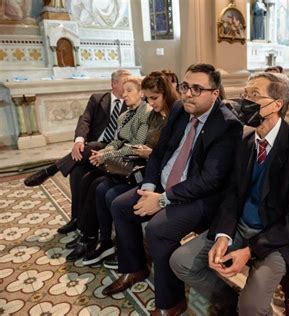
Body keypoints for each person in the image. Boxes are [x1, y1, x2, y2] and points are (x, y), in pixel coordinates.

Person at [170, 72, 289, 315]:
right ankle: (231, 302)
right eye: (244, 94)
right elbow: (232, 194)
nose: (244, 102)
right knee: (181, 262)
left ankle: (248, 306)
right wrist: (223, 235)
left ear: (276, 105)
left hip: (278, 237)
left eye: (254, 96)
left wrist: (251, 251)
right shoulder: (245, 140)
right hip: (243, 225)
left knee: (252, 306)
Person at [101, 64, 242, 316]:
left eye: (197, 89)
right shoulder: (179, 109)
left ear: (215, 93)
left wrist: (163, 200)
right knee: (120, 205)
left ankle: (171, 302)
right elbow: (160, 153)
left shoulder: (227, 124)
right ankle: (135, 268)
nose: (188, 93)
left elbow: (211, 180)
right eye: (186, 86)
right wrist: (148, 188)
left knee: (158, 230)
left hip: (201, 197)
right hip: (165, 186)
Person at [83, 72, 179, 267]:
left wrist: (146, 156)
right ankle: (105, 242)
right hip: (149, 169)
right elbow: (121, 141)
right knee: (99, 187)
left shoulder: (171, 117)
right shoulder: (150, 115)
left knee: (114, 199)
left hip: (153, 171)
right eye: (149, 98)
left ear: (166, 94)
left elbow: (162, 153)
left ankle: (131, 259)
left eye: (154, 98)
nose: (151, 102)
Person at [23, 69, 131, 234]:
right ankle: (76, 219)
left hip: (113, 149)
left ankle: (51, 169)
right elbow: (85, 119)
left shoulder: (132, 102)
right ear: (114, 84)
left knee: (91, 146)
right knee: (77, 171)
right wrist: (79, 141)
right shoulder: (98, 98)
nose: (127, 88)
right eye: (124, 83)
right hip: (93, 148)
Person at [66, 76, 151, 262]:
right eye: (124, 90)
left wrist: (105, 156)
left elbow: (135, 145)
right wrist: (103, 152)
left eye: (129, 90)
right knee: (87, 178)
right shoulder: (125, 115)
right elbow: (116, 141)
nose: (124, 94)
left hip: (133, 166)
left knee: (100, 187)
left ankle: (95, 238)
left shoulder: (146, 113)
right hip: (118, 163)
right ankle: (96, 237)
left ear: (142, 93)